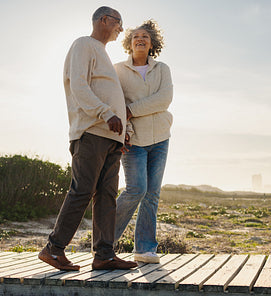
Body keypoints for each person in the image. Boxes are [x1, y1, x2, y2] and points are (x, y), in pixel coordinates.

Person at [38, 6, 138, 271]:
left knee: (107, 195)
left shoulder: (103, 54)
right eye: (118, 22)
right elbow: (79, 85)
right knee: (82, 190)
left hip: (110, 137)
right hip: (91, 132)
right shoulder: (84, 44)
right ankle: (54, 248)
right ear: (104, 20)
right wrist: (106, 113)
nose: (120, 28)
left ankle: (104, 254)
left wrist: (123, 132)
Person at [114, 20, 173, 264]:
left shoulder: (162, 69)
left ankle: (145, 248)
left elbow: (164, 99)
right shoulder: (117, 70)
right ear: (129, 43)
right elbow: (116, 104)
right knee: (136, 190)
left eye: (145, 37)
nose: (140, 39)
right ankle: (104, 242)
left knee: (152, 194)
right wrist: (126, 124)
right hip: (133, 139)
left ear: (152, 44)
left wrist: (131, 109)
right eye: (136, 36)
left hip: (160, 137)